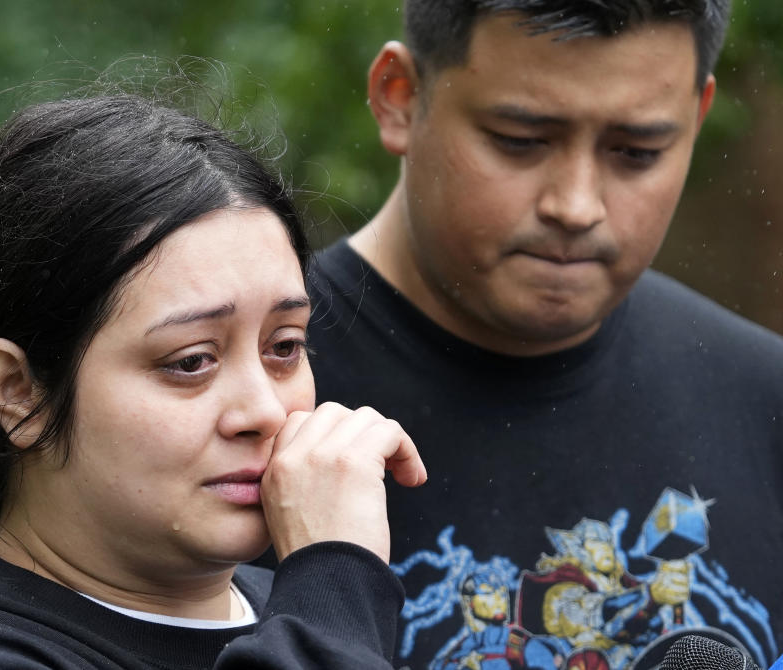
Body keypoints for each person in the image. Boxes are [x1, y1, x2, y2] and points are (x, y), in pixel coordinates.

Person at [0, 94, 428, 669]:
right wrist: (336, 581)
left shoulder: (305, 611)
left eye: (285, 347)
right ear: (18, 391)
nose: (265, 411)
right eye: (192, 360)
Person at [304, 1, 783, 668]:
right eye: (519, 141)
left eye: (637, 152)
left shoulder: (767, 402)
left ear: (697, 119)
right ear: (399, 98)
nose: (576, 205)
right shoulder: (238, 409)